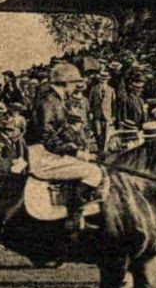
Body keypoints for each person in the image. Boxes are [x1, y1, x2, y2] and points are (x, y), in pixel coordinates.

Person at [25, 62, 103, 234]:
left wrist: (82, 147)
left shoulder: (54, 99)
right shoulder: (48, 101)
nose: (76, 89)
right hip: (42, 156)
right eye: (75, 85)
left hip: (47, 152)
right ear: (65, 82)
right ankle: (74, 217)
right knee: (92, 172)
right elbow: (47, 137)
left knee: (92, 167)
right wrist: (75, 152)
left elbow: (63, 130)